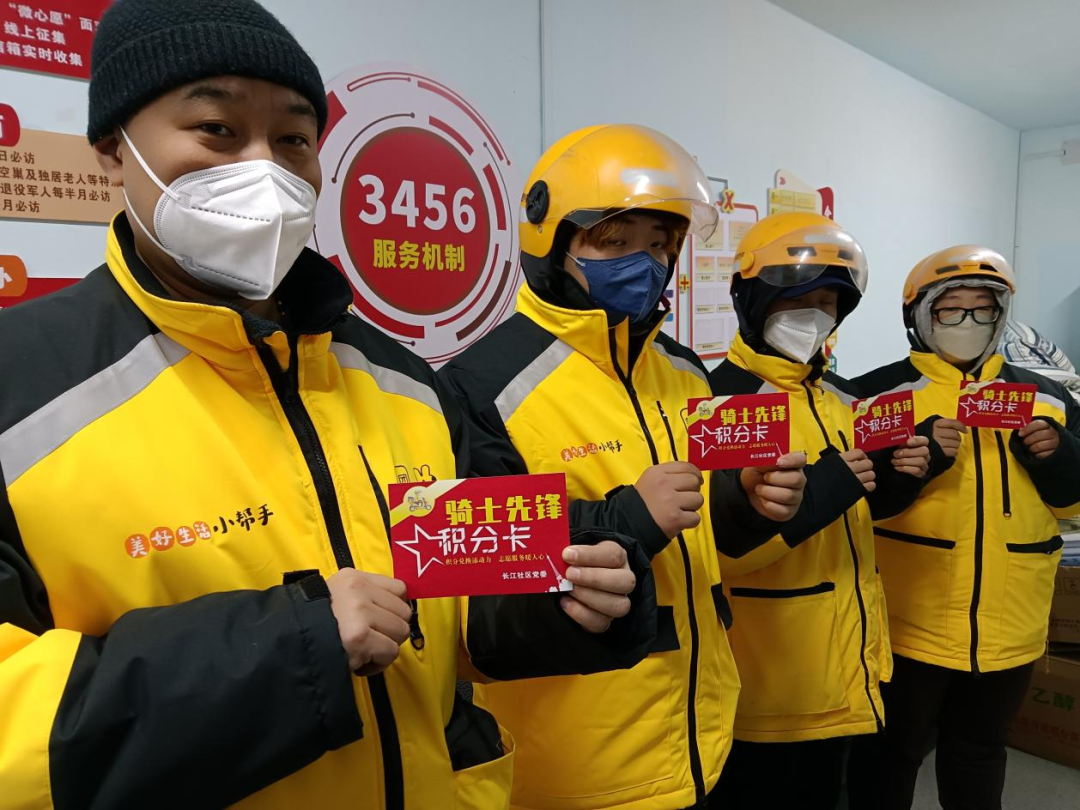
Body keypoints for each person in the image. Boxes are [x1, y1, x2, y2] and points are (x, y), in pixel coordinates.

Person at [0, 2, 654, 807]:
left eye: (293, 140)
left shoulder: (402, 379)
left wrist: (570, 598)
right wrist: (289, 651)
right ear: (113, 148)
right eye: (216, 129)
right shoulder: (21, 390)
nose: (264, 170)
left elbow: (460, 614)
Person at [440, 124, 809, 810]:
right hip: (576, 763)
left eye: (661, 244)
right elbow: (474, 583)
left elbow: (706, 530)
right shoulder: (482, 384)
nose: (645, 263)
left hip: (700, 732)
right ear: (553, 241)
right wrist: (629, 518)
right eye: (615, 242)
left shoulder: (684, 370)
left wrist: (747, 498)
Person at [705, 212, 932, 810]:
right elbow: (714, 550)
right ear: (753, 301)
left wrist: (900, 479)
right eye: (796, 300)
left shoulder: (844, 399)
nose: (814, 315)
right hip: (764, 681)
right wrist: (824, 491)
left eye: (828, 302)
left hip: (848, 664)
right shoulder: (713, 404)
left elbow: (863, 512)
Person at [847, 246, 1080, 810]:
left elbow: (1072, 502)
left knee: (980, 754)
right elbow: (852, 506)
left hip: (1010, 622)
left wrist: (1057, 456)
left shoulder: (1047, 397)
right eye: (951, 309)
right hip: (906, 624)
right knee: (889, 756)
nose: (968, 321)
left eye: (983, 308)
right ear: (919, 315)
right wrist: (907, 468)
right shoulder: (873, 397)